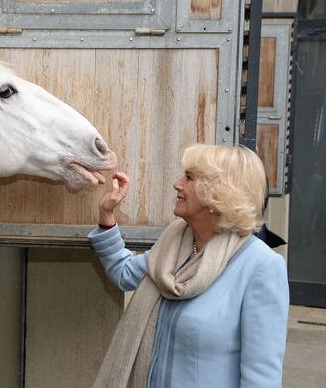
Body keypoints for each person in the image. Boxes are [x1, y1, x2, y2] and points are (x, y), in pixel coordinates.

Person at [88, 144, 289, 388]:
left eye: (189, 177)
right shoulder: (176, 243)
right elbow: (125, 273)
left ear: (220, 193)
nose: (177, 183)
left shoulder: (261, 267)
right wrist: (107, 216)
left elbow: (261, 379)